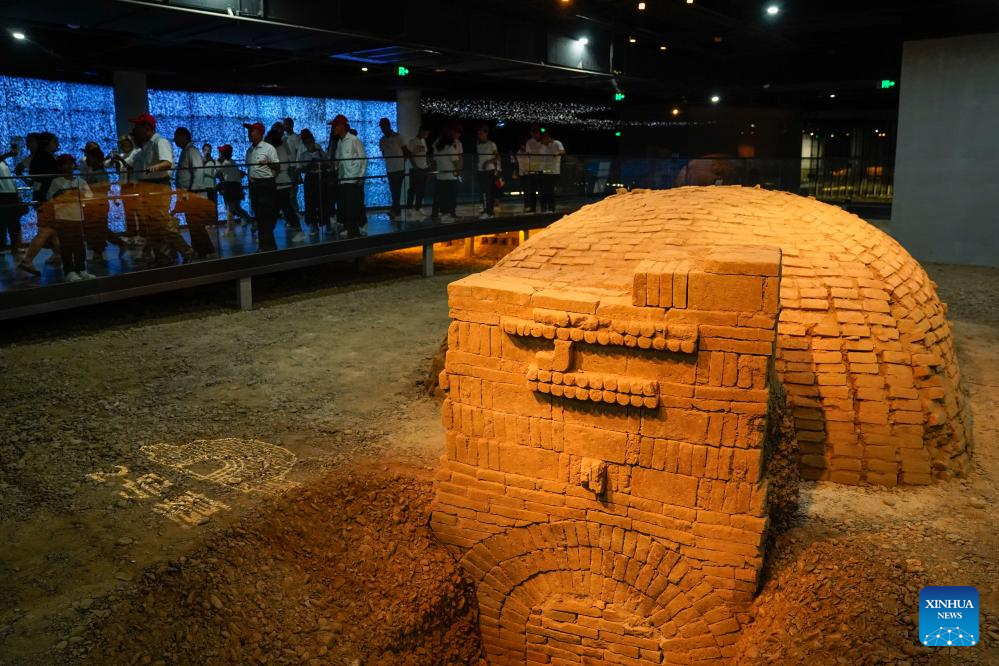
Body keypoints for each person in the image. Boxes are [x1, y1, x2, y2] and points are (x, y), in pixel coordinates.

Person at [130, 112, 191, 265]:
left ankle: (187, 251)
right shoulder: (146, 146)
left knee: (163, 223)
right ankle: (162, 257)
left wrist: (152, 169)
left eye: (138, 126)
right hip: (148, 187)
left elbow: (167, 163)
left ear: (147, 127)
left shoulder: (160, 142)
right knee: (153, 226)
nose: (135, 129)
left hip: (158, 186)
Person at [47, 154, 95, 281]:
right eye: (66, 163)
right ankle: (69, 271)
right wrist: (62, 194)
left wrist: (80, 194)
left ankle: (81, 269)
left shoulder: (80, 181)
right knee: (66, 245)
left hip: (77, 216)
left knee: (79, 245)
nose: (69, 166)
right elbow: (50, 198)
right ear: (60, 166)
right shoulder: (56, 181)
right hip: (63, 217)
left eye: (71, 163)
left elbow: (89, 196)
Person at [79, 142, 126, 261]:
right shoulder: (93, 171)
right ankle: (117, 243)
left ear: (95, 159)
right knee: (96, 228)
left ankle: (99, 252)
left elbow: (103, 189)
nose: (87, 159)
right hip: (91, 203)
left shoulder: (100, 173)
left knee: (96, 229)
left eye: (89, 157)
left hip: (98, 204)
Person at [173, 127, 216, 258]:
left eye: (176, 137)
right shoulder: (187, 151)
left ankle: (205, 250)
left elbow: (198, 172)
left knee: (195, 223)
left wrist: (193, 192)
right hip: (188, 194)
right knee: (194, 224)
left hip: (193, 195)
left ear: (184, 137)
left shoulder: (191, 151)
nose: (174, 139)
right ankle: (201, 249)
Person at [243, 121, 279, 251]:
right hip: (254, 186)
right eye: (249, 131)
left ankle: (267, 247)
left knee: (265, 217)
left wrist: (268, 163)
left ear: (260, 133)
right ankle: (266, 246)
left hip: (265, 185)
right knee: (259, 217)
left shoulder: (269, 148)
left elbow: (277, 166)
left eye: (251, 131)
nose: (249, 134)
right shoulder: (249, 150)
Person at [331, 114, 367, 238]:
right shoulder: (340, 142)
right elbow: (338, 160)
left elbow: (363, 159)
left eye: (335, 126)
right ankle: (351, 229)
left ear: (341, 126)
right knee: (346, 206)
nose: (333, 129)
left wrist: (361, 177)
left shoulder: (354, 140)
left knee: (353, 206)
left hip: (353, 179)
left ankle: (355, 231)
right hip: (343, 179)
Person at [268, 127, 304, 243]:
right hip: (279, 182)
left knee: (284, 208)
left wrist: (270, 167)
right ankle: (268, 233)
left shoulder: (280, 149)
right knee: (281, 208)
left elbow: (282, 166)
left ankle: (298, 230)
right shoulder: (276, 149)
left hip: (282, 182)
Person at [105, 135, 139, 240]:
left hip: (134, 185)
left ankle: (140, 232)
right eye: (122, 144)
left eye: (125, 143)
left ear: (130, 143)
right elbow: (106, 165)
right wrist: (112, 159)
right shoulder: (123, 154)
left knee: (137, 210)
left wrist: (121, 160)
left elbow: (131, 166)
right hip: (125, 185)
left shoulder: (136, 152)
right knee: (128, 211)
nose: (123, 146)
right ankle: (131, 231)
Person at [215, 144, 252, 235]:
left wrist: (217, 161)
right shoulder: (232, 161)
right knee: (235, 208)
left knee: (233, 209)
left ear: (223, 154)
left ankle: (250, 221)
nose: (219, 154)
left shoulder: (226, 163)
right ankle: (249, 221)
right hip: (235, 187)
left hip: (231, 187)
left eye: (220, 152)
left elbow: (218, 170)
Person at [299, 129, 328, 237]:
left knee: (323, 201)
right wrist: (309, 166)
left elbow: (327, 164)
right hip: (310, 178)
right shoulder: (303, 155)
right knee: (310, 203)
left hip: (320, 177)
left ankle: (326, 223)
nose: (309, 144)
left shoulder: (320, 152)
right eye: (306, 143)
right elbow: (301, 169)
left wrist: (320, 164)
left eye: (310, 142)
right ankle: (313, 224)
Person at [377, 117, 406, 220]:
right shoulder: (382, 140)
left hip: (398, 167)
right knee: (394, 190)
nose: (382, 129)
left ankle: (395, 210)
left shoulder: (398, 137)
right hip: (390, 168)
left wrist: (403, 163)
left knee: (396, 190)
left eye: (383, 127)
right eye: (381, 127)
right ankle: (396, 210)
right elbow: (384, 154)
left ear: (388, 126)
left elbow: (405, 150)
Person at [0, 142, 25, 256]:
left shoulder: (4, 162)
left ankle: (15, 247)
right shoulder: (3, 160)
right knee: (3, 223)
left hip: (10, 194)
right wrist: (8, 154)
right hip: (2, 194)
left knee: (13, 223)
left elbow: (10, 179)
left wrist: (16, 192)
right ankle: (3, 247)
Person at [433, 126, 461, 222]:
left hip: (440, 176)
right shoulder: (450, 148)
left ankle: (444, 213)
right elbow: (455, 162)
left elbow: (435, 161)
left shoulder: (437, 148)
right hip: (450, 176)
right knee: (452, 197)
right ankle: (451, 214)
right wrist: (458, 173)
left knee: (443, 197)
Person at [475, 124, 500, 219]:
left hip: (489, 171)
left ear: (486, 133)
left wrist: (487, 162)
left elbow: (498, 157)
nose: (479, 135)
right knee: (484, 192)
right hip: (480, 170)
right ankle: (489, 211)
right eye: (478, 133)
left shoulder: (491, 144)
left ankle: (488, 212)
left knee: (488, 192)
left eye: (481, 133)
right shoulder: (478, 144)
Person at [538, 132, 565, 213]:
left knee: (550, 190)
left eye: (542, 140)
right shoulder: (543, 146)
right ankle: (543, 209)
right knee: (543, 190)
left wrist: (557, 153)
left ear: (546, 138)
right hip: (544, 170)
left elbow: (563, 151)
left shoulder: (557, 143)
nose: (542, 142)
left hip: (553, 171)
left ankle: (551, 208)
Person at [406, 126, 431, 215]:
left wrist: (428, 165)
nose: (426, 135)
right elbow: (410, 155)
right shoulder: (412, 141)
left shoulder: (423, 141)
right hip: (415, 169)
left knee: (422, 189)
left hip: (424, 168)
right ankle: (409, 207)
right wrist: (415, 167)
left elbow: (425, 154)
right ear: (421, 131)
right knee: (412, 189)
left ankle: (419, 206)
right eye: (425, 133)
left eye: (427, 134)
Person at [282, 117, 303, 215]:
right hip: (285, 167)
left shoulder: (295, 138)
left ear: (291, 125)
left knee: (292, 193)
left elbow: (299, 153)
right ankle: (290, 213)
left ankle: (295, 212)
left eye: (286, 124)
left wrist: (298, 167)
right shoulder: (283, 138)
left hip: (293, 167)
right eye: (284, 124)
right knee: (287, 192)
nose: (285, 127)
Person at [523, 126, 544, 212]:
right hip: (532, 169)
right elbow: (528, 154)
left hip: (541, 168)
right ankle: (532, 208)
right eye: (534, 133)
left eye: (537, 133)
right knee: (532, 190)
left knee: (542, 189)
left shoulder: (543, 141)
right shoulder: (529, 142)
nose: (536, 134)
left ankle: (543, 208)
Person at [201, 143, 218, 208]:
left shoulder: (214, 161)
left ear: (211, 151)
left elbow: (216, 173)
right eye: (205, 150)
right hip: (203, 187)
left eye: (209, 150)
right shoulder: (199, 161)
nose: (207, 152)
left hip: (212, 187)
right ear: (203, 151)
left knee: (213, 206)